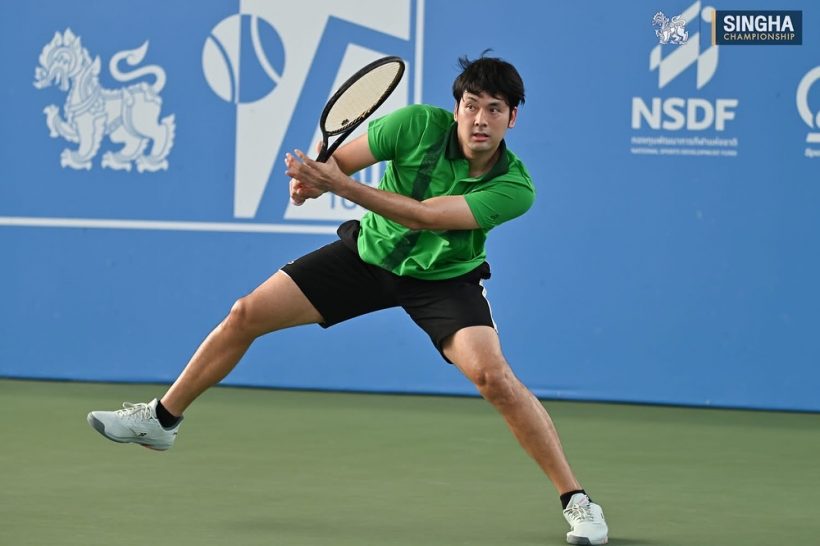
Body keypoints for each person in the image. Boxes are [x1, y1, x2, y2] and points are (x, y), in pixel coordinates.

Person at [87, 54, 609, 545]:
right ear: (456, 108)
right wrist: (312, 183)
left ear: (512, 119)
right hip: (367, 255)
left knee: (494, 379)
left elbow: (425, 217)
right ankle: (162, 419)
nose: (480, 119)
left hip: (443, 279)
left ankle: (577, 500)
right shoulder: (414, 124)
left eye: (494, 109)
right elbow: (342, 160)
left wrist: (337, 185)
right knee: (245, 314)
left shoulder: (515, 187)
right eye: (471, 105)